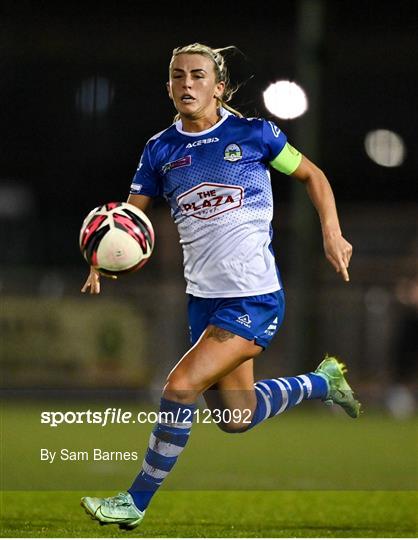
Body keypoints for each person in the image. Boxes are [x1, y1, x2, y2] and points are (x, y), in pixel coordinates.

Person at [80, 42, 360, 530]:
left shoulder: (255, 135)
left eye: (198, 76)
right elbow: (128, 221)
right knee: (237, 419)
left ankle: (134, 502)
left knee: (180, 385)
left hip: (253, 294)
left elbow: (314, 176)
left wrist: (332, 233)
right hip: (202, 299)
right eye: (177, 76)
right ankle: (322, 382)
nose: (187, 84)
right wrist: (102, 259)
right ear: (168, 86)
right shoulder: (160, 149)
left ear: (220, 86)